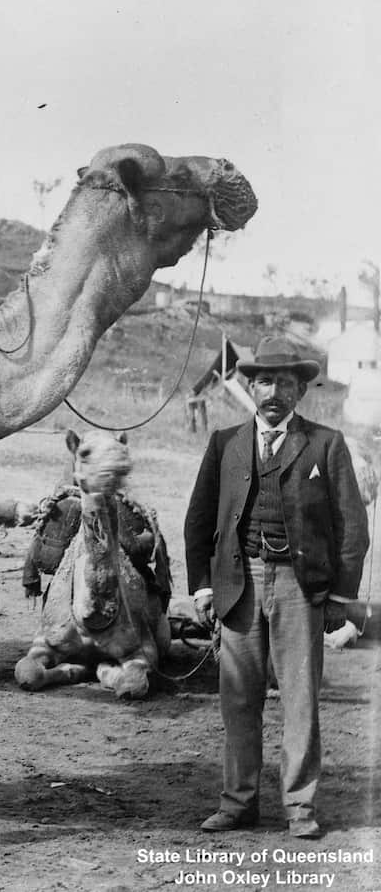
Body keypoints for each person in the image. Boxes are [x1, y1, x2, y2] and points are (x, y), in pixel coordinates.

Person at [184, 335, 368, 840]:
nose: (274, 392)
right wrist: (202, 587)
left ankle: (300, 807)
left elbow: (353, 527)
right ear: (250, 386)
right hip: (238, 583)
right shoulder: (224, 444)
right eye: (265, 381)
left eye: (286, 383)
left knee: (300, 700)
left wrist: (340, 596)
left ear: (300, 391)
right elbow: (199, 520)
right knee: (238, 698)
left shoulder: (326, 444)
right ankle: (237, 802)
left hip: (299, 588)